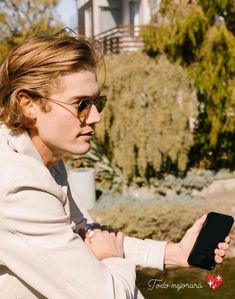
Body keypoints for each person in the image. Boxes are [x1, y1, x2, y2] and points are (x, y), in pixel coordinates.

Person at [0, 28, 230, 299]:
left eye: (97, 102)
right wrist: (113, 259)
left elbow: (92, 237)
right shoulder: (17, 186)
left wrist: (175, 252)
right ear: (28, 104)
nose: (95, 117)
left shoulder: (45, 158)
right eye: (81, 104)